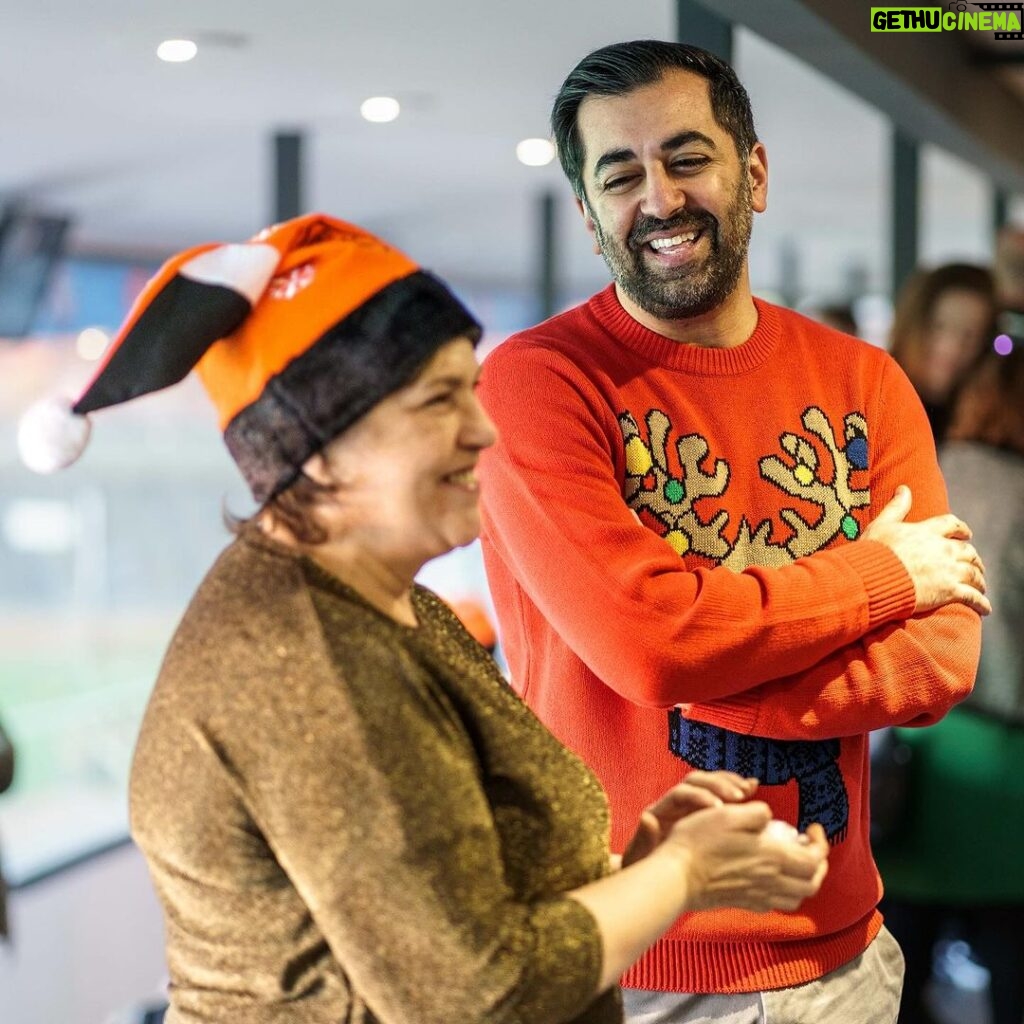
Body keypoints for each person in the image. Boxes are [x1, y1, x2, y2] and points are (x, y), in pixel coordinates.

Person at [17, 213, 831, 1024]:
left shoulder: (391, 604)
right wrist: (683, 873)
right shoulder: (303, 664)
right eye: (441, 400)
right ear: (320, 450)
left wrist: (641, 864)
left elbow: (448, 885)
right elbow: (475, 994)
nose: (483, 430)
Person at [475, 41, 989, 1024]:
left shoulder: (864, 383)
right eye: (619, 175)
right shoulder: (535, 385)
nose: (660, 198)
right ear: (588, 216)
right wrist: (882, 573)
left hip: (838, 957)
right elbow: (648, 639)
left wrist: (710, 661)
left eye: (687, 156)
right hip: (628, 961)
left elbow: (941, 652)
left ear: (752, 171)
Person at [875, 346, 1024, 1024]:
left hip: (923, 738)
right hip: (1006, 760)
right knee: (1010, 960)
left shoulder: (935, 471)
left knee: (902, 953)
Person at [887, 263, 998, 442]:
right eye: (938, 327)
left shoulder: (991, 423)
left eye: (970, 334)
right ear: (912, 325)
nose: (952, 347)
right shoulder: (872, 402)